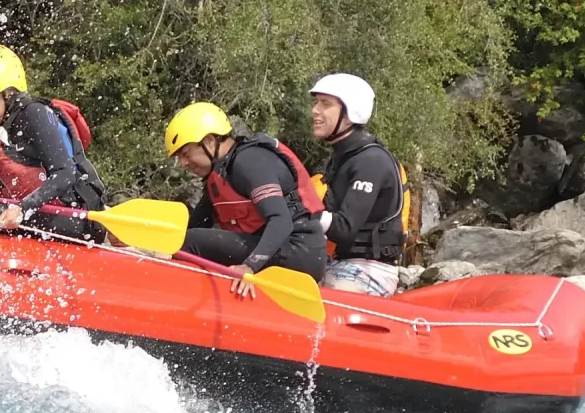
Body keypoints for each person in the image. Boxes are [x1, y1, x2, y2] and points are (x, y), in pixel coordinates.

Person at [0, 43, 106, 237]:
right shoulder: (6, 123)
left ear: (7, 93)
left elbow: (65, 174)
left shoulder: (34, 114)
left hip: (77, 218)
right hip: (51, 214)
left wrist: (23, 209)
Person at [165, 101, 328, 293]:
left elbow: (281, 221)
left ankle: (172, 293)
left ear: (209, 141)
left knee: (189, 241)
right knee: (184, 239)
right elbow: (193, 226)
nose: (183, 164)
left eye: (185, 154)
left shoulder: (249, 162)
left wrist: (250, 266)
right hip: (278, 249)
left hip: (299, 251)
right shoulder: (219, 176)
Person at [308, 72, 408, 296]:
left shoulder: (370, 161)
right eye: (316, 103)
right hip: (337, 263)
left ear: (350, 112)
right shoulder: (341, 158)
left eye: (325, 104)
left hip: (369, 271)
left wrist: (302, 213)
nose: (315, 110)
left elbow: (344, 228)